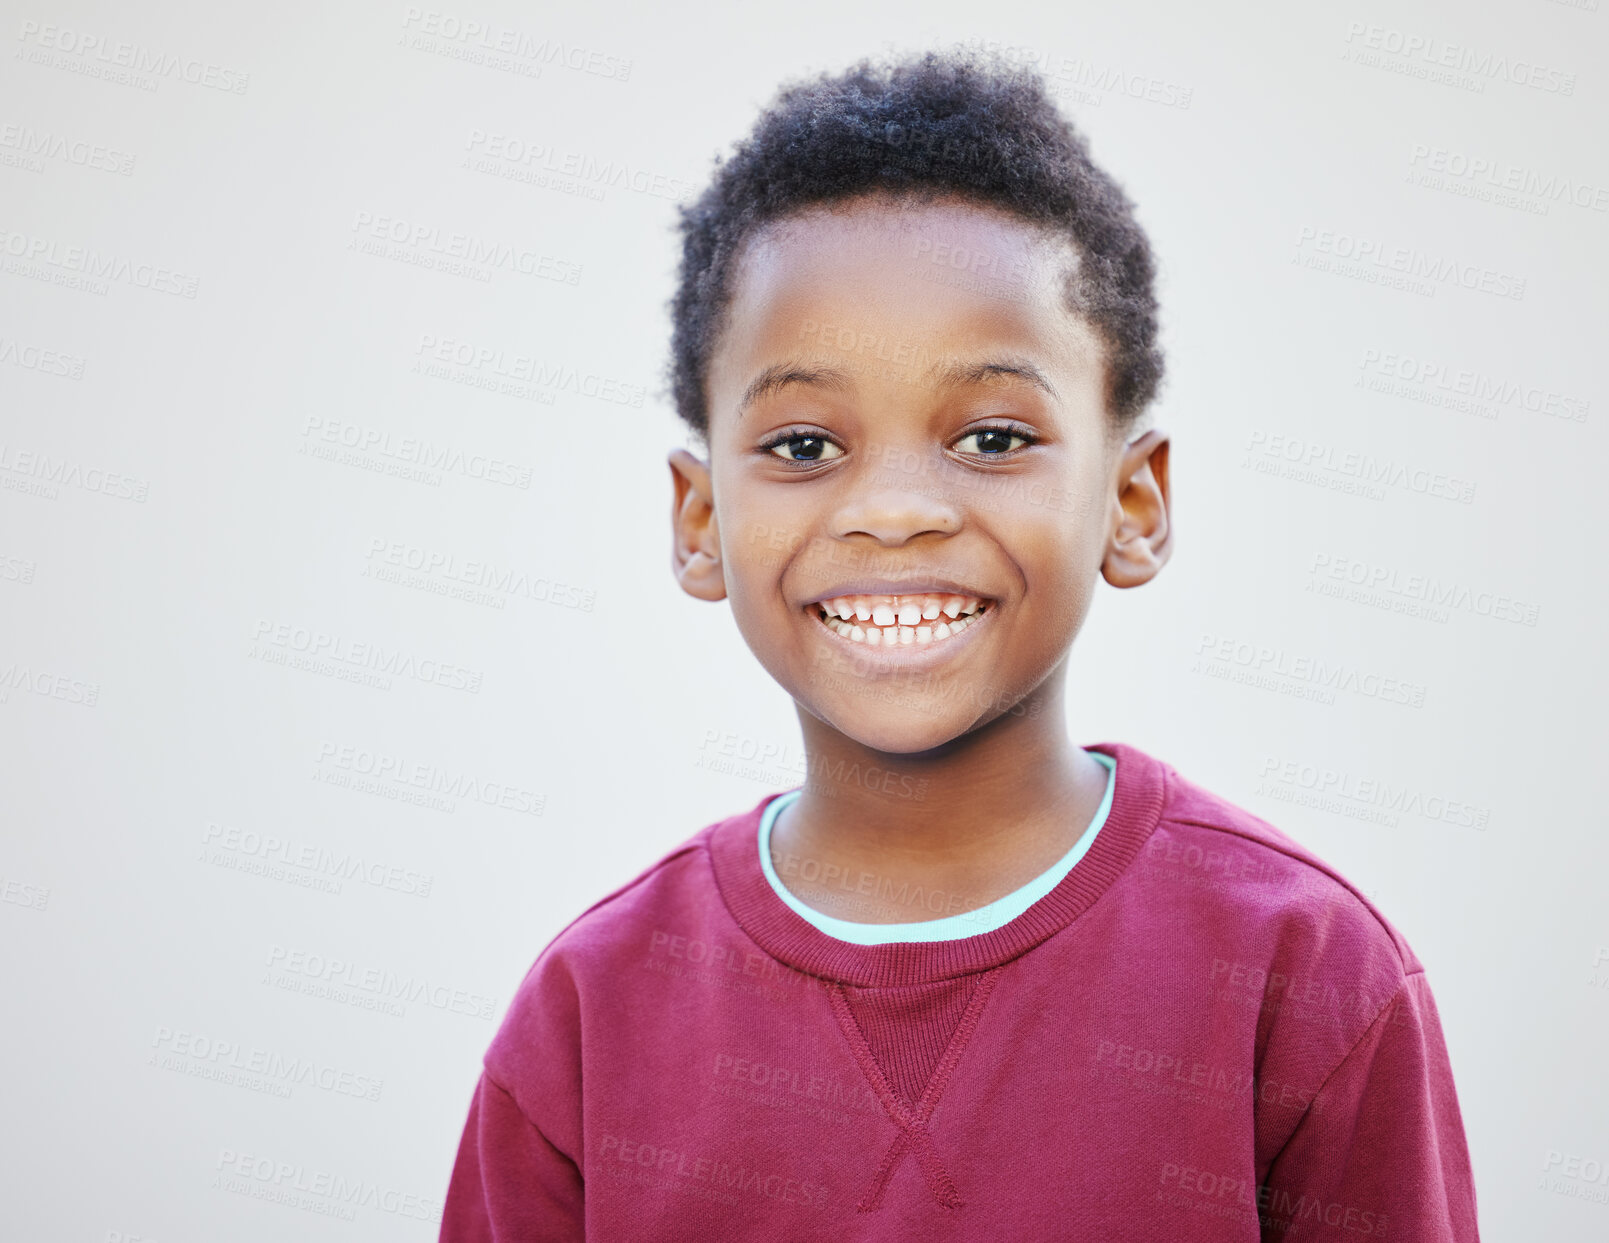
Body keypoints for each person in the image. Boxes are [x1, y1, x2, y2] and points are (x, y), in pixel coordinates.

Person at [439, 47, 1479, 1241]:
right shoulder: (591, 1012)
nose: (895, 509)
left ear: (1131, 505)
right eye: (801, 446)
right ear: (699, 519)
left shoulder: (1304, 973)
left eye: (990, 437)